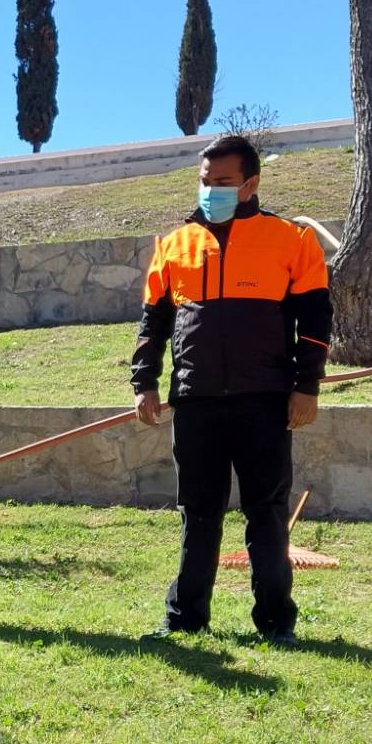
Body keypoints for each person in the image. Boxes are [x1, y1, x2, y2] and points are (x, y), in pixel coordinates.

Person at [131, 133, 331, 646]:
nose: (212, 190)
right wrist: (145, 382)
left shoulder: (292, 240)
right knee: (198, 513)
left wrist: (305, 387)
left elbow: (314, 322)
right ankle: (185, 618)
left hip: (263, 400)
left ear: (250, 183)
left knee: (266, 512)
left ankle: (275, 621)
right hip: (195, 399)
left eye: (223, 182)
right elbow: (153, 323)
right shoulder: (173, 244)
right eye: (205, 181)